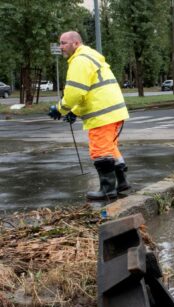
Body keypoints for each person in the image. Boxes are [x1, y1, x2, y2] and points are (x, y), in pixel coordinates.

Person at [48, 31, 130, 201]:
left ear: (75, 43)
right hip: (112, 111)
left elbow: (75, 92)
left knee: (100, 150)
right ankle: (121, 182)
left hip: (102, 114)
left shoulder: (79, 61)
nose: (61, 47)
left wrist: (60, 109)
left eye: (64, 43)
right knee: (110, 148)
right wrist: (74, 112)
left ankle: (107, 190)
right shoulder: (89, 56)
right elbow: (88, 91)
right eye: (60, 43)